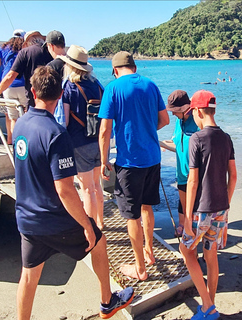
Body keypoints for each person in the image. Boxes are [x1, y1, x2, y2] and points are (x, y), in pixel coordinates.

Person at [13, 66, 134, 320]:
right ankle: (107, 301)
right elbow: (65, 191)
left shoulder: (20, 124)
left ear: (33, 92)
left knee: (29, 275)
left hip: (26, 217)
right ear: (59, 95)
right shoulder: (56, 134)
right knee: (99, 241)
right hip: (52, 218)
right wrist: (87, 226)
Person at [98, 51, 169, 281]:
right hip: (152, 158)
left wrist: (103, 159)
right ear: (134, 67)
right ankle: (149, 253)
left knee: (132, 216)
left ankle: (140, 269)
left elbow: (104, 130)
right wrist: (147, 131)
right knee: (147, 207)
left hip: (129, 163)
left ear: (116, 70)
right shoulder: (151, 85)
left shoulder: (113, 88)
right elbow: (165, 120)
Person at [179, 90, 237, 320]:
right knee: (211, 256)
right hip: (221, 208)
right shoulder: (226, 137)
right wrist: (226, 205)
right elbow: (233, 177)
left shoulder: (197, 139)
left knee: (187, 251)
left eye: (192, 111)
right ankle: (209, 305)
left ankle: (207, 306)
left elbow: (192, 180)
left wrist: (187, 217)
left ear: (198, 111)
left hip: (200, 210)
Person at [60, 45, 105, 230]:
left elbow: (64, 119)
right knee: (96, 185)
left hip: (79, 143)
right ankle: (101, 223)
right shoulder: (97, 85)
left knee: (86, 188)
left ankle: (91, 228)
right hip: (99, 140)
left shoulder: (69, 88)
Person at [0, 30, 63, 108]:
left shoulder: (25, 52)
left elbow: (11, 75)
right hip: (53, 98)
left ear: (26, 43)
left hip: (34, 97)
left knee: (15, 118)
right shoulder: (50, 52)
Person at [165, 90, 199, 237]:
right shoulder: (179, 122)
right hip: (181, 172)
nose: (173, 114)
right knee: (182, 200)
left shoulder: (198, 122)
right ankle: (182, 224)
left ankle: (195, 228)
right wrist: (159, 143)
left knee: (196, 204)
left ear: (186, 108)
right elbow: (176, 144)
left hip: (196, 173)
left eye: (175, 111)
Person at [0, 30, 27, 144]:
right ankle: (26, 146)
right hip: (24, 85)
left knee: (13, 118)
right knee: (26, 117)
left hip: (8, 86)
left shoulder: (3, 49)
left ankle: (14, 144)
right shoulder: (25, 48)